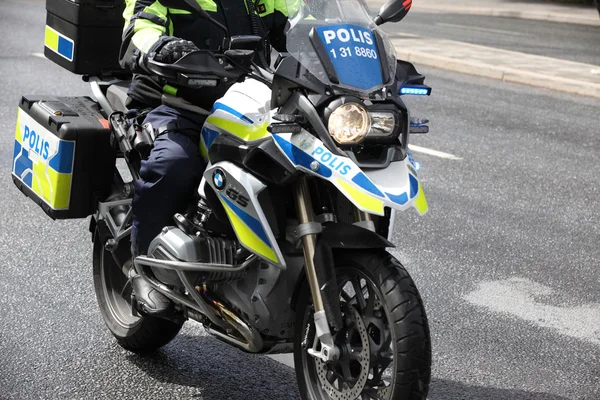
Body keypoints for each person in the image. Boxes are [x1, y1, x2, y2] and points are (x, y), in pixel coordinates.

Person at [118, 0, 289, 316]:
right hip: (174, 103)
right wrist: (163, 46)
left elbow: (305, 20)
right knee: (175, 164)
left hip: (250, 105)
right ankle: (143, 270)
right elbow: (138, 26)